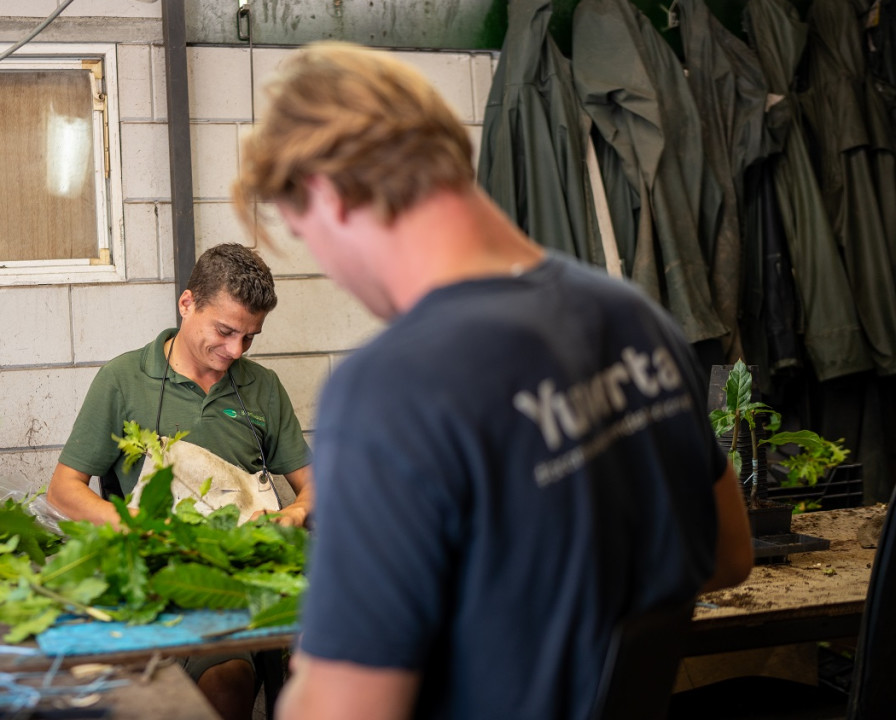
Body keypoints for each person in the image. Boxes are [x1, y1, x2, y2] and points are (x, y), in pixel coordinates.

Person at [232, 42, 754, 720]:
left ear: (330, 195)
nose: (332, 268)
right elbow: (727, 553)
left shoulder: (393, 385)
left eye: (309, 235)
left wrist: (326, 676)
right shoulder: (633, 317)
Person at [46, 242, 314, 720]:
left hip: (252, 575)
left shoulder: (262, 386)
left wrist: (294, 512)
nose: (235, 351)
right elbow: (63, 488)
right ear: (187, 304)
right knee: (225, 680)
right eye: (226, 331)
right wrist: (121, 521)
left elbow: (316, 485)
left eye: (249, 338)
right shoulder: (124, 380)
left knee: (321, 668)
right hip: (171, 581)